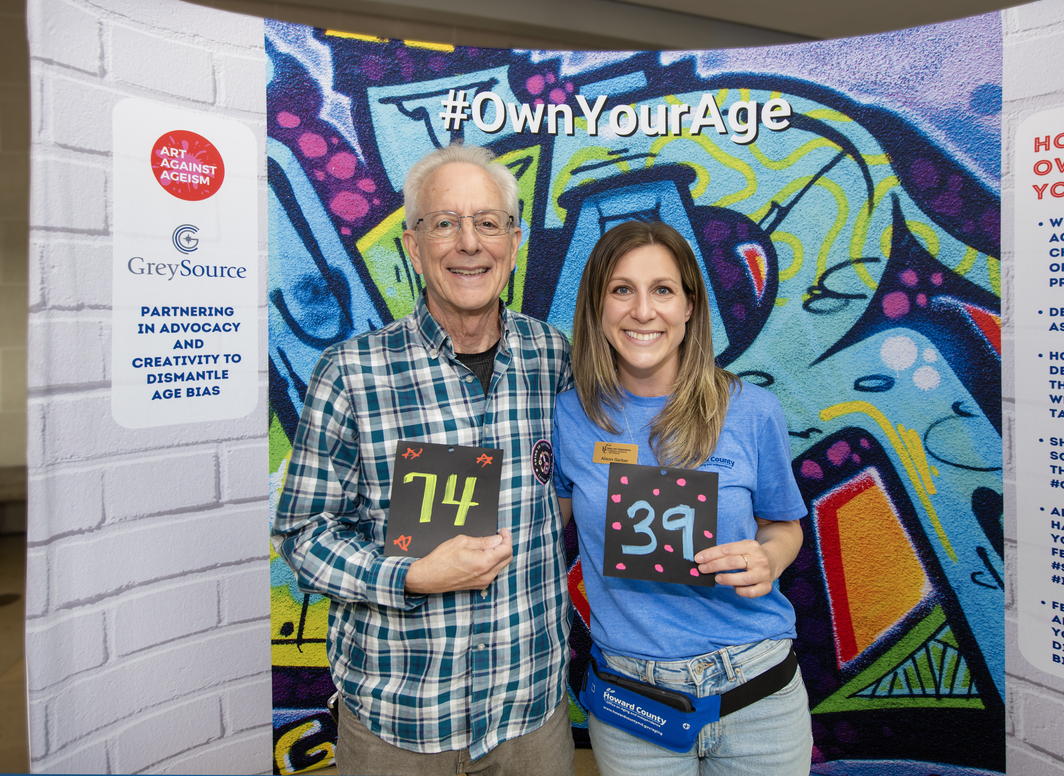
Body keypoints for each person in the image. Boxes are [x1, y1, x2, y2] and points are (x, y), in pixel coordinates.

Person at [273, 144, 575, 775]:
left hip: (530, 719)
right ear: (413, 245)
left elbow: (577, 483)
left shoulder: (554, 358)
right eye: (444, 223)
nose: (469, 243)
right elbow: (303, 534)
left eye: (488, 222)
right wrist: (410, 576)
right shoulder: (351, 373)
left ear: (514, 241)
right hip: (400, 724)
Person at [553, 220, 812, 775]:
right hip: (633, 704)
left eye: (663, 290)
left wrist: (769, 558)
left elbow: (784, 526)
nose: (643, 311)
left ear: (690, 306)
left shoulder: (752, 410)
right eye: (622, 289)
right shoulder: (568, 417)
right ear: (597, 305)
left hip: (758, 693)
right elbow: (540, 529)